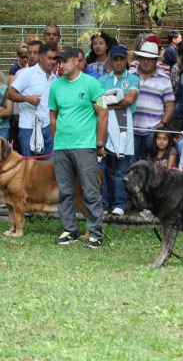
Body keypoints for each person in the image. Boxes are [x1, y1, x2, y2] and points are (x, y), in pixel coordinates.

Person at [49, 47, 108, 249]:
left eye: (65, 61)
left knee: (90, 191)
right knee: (65, 191)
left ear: (76, 61)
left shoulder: (92, 84)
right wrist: (56, 140)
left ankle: (96, 234)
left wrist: (99, 143)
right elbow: (53, 116)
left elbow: (103, 114)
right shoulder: (56, 87)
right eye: (59, 61)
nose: (61, 64)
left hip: (85, 146)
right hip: (62, 146)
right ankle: (70, 230)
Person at [97, 45, 139, 216]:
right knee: (103, 168)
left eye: (122, 59)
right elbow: (98, 102)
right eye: (115, 59)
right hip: (105, 127)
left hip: (123, 128)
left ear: (126, 59)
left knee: (121, 169)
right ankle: (103, 203)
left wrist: (109, 102)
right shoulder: (102, 80)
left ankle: (120, 204)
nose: (119, 62)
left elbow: (129, 99)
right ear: (110, 60)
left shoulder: (133, 79)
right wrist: (114, 99)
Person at [8, 43, 58, 158]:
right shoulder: (27, 73)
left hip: (49, 127)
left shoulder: (55, 79)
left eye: (55, 58)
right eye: (49, 58)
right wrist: (27, 99)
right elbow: (10, 94)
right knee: (29, 168)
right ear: (40, 57)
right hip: (28, 128)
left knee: (50, 168)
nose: (53, 61)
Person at [131, 40, 175, 162]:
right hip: (131, 128)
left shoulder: (164, 79)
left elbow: (170, 105)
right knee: (130, 165)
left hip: (153, 130)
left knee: (154, 166)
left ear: (156, 60)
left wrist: (162, 124)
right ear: (138, 58)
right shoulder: (129, 76)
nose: (146, 61)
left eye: (149, 58)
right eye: (143, 57)